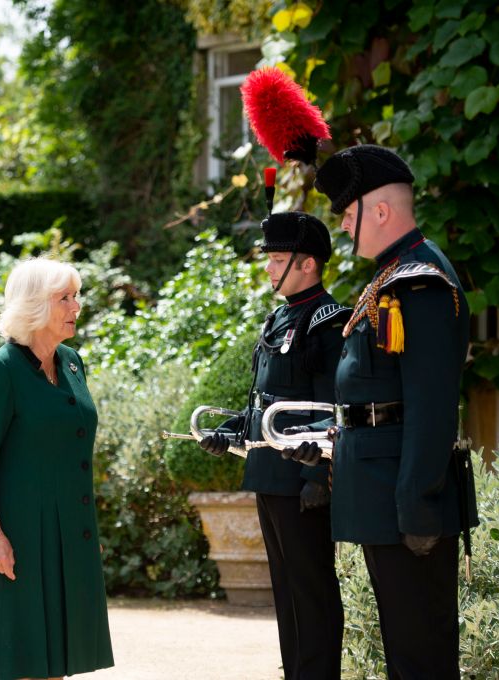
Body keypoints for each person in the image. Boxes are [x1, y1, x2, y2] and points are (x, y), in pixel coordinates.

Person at [289, 144, 476, 677]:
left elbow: (431, 404)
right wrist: (328, 438)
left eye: (348, 214)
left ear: (381, 210)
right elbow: (376, 400)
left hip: (406, 504)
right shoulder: (395, 273)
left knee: (420, 657)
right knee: (406, 651)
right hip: (382, 494)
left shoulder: (421, 281)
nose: (345, 228)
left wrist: (418, 505)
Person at [198, 212, 347, 680]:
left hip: (303, 477)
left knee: (312, 590)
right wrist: (233, 430)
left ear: (307, 264)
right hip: (270, 473)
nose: (267, 267)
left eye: (277, 259)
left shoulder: (327, 322)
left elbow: (332, 405)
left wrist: (317, 476)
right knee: (285, 591)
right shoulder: (281, 316)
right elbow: (268, 401)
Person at [0, 257, 114, 680]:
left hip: (71, 531)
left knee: (58, 664)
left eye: (76, 295)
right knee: (21, 663)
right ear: (33, 305)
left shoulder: (71, 362)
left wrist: (85, 529)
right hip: (21, 537)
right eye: (64, 297)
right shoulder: (0, 369)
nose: (76, 306)